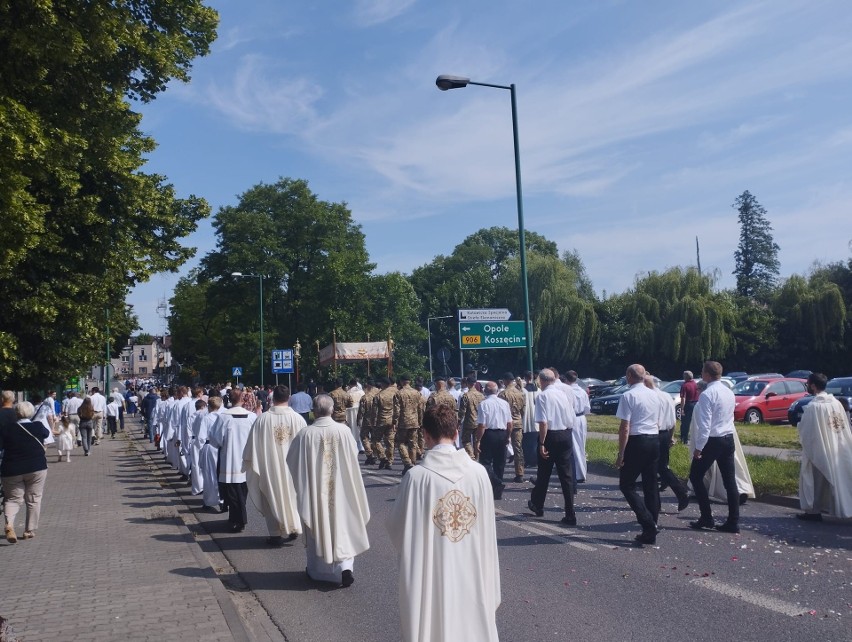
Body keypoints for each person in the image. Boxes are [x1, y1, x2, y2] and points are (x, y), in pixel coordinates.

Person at [387, 404, 500, 642]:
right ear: (457, 432)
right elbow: (487, 527)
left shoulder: (416, 478)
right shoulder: (479, 474)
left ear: (426, 435)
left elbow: (398, 529)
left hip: (431, 571)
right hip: (472, 565)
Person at [287, 394, 370, 587]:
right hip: (341, 488)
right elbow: (353, 454)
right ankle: (345, 567)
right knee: (343, 523)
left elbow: (292, 461)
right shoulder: (343, 431)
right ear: (332, 410)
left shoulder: (305, 434)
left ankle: (320, 572)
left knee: (320, 523)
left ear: (313, 411)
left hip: (317, 491)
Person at [242, 385, 305, 546]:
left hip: (270, 467)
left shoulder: (262, 419)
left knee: (271, 497)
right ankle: (293, 528)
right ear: (289, 398)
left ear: (272, 398)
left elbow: (252, 447)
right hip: (293, 469)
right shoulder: (298, 419)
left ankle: (275, 534)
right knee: (293, 497)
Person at [688, 360, 740, 534]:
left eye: (702, 371)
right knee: (729, 481)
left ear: (707, 375)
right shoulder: (728, 391)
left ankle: (707, 517)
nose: (701, 374)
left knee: (695, 476)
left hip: (713, 439)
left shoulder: (707, 394)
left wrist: (699, 447)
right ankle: (733, 521)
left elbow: (705, 424)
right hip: (728, 437)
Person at [796, 372, 852, 520]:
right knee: (841, 478)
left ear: (813, 386)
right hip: (838, 446)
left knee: (816, 481)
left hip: (820, 448)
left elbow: (807, 430)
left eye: (808, 383)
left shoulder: (813, 407)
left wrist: (799, 426)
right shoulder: (836, 403)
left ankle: (814, 511)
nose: (808, 386)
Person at [615, 364, 661, 545]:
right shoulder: (654, 394)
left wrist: (621, 453)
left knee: (627, 484)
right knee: (650, 485)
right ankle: (652, 525)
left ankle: (648, 523)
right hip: (653, 438)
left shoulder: (628, 395)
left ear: (629, 376)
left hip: (637, 440)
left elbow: (625, 427)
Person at [528, 369, 577, 526]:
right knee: (566, 476)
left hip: (551, 436)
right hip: (566, 434)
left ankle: (538, 504)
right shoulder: (563, 393)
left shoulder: (543, 395)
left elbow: (543, 422)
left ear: (541, 381)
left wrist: (542, 443)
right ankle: (570, 513)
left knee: (544, 473)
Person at [2, 401, 50, 543]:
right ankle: (29, 530)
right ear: (31, 412)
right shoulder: (38, 426)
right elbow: (46, 434)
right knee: (34, 498)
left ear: (16, 413)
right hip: (36, 467)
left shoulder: (7, 428)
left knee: (12, 499)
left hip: (12, 468)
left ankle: (9, 524)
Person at [208, 390, 256, 532]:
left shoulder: (223, 417)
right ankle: (236, 518)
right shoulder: (252, 416)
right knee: (242, 491)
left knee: (233, 493)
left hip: (230, 459)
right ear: (243, 399)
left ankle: (238, 519)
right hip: (247, 459)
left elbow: (215, 440)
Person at [644, 375, 689, 512]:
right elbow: (673, 420)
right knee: (662, 467)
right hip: (665, 433)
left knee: (650, 469)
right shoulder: (666, 396)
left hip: (652, 434)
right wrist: (671, 436)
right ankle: (680, 493)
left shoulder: (649, 398)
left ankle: (655, 504)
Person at [476, 381, 512, 499]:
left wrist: (478, 440)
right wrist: (508, 436)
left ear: (485, 391)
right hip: (502, 432)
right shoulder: (504, 404)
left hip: (489, 434)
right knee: (500, 463)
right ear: (497, 391)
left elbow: (482, 425)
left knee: (485, 462)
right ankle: (497, 490)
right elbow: (510, 423)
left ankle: (496, 483)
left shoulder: (483, 404)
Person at [498, 372, 527, 483]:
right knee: (518, 448)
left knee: (503, 446)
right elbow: (523, 411)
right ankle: (520, 473)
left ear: (505, 381)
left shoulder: (502, 394)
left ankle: (500, 471)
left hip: (506, 423)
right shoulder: (520, 393)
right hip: (518, 422)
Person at [394, 374, 424, 475]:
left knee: (401, 442)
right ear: (410, 381)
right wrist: (420, 421)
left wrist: (395, 422)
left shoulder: (399, 393)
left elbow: (397, 410)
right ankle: (413, 463)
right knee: (412, 443)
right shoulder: (417, 393)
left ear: (402, 382)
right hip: (414, 421)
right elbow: (420, 409)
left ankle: (407, 462)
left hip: (403, 422)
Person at [198, 396, 224, 510]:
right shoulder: (223, 417)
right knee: (220, 475)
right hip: (221, 448)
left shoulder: (206, 418)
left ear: (209, 406)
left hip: (209, 447)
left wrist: (200, 450)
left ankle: (209, 501)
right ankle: (222, 499)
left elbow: (201, 437)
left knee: (209, 475)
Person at [565, 371, 590, 485]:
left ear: (566, 379)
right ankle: (583, 472)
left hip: (573, 418)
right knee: (582, 445)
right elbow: (587, 408)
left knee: (574, 447)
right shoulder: (582, 391)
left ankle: (578, 474)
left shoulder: (567, 391)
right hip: (582, 418)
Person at [372, 377, 398, 470]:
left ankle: (383, 457)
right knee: (390, 442)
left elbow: (374, 412)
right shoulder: (395, 394)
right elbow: (397, 408)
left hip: (381, 421)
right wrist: (395, 420)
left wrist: (373, 423)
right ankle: (390, 461)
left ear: (382, 384)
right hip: (391, 421)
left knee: (376, 440)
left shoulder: (378, 396)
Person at [458, 376, 484, 458]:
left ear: (467, 384)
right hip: (479, 422)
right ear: (475, 383)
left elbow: (462, 411)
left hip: (469, 422)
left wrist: (458, 421)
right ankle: (477, 457)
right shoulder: (481, 396)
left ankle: (471, 456)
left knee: (466, 440)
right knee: (477, 441)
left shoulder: (466, 396)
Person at [357, 379, 378, 465]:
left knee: (364, 437)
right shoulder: (378, 395)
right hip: (376, 421)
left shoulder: (365, 397)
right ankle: (375, 453)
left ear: (368, 386)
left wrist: (358, 419)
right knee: (374, 438)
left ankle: (369, 454)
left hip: (367, 420)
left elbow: (361, 411)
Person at [679, 370, 699, 444]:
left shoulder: (685, 385)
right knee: (695, 422)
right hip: (696, 404)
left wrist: (682, 409)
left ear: (685, 377)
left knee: (685, 423)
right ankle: (694, 438)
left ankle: (684, 439)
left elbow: (683, 398)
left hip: (688, 404)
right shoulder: (695, 384)